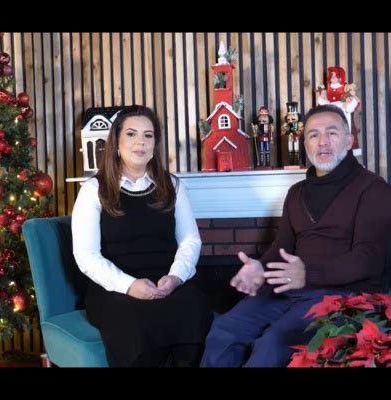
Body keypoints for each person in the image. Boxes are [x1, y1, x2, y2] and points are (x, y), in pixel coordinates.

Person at [200, 104, 391, 367]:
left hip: (343, 297)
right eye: (313, 135)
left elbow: (368, 259)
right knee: (224, 331)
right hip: (289, 290)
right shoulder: (297, 193)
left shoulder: (373, 189)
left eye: (332, 132)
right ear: (305, 144)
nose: (322, 141)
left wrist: (308, 275)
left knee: (273, 344)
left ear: (349, 141)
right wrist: (260, 268)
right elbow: (282, 247)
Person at [72, 105, 213, 367]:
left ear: (155, 145)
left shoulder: (173, 185)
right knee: (134, 320)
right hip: (114, 288)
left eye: (148, 135)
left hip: (167, 282)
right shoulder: (93, 190)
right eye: (131, 134)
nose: (141, 142)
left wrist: (175, 277)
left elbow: (190, 240)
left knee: (194, 306)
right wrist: (129, 286)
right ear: (116, 142)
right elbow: (86, 255)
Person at [282, 101, 304, 166]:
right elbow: (283, 131)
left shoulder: (299, 124)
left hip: (296, 137)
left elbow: (301, 130)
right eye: (289, 116)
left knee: (296, 148)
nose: (290, 118)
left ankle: (296, 162)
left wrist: (298, 131)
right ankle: (291, 162)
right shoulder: (286, 124)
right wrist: (285, 130)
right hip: (290, 137)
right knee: (290, 149)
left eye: (293, 116)